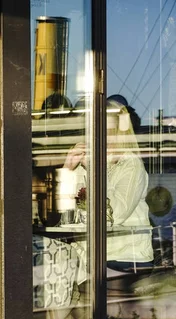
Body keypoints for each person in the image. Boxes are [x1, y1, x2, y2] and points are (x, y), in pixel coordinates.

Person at [62, 99, 153, 272]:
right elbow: (61, 212)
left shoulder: (130, 164)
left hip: (124, 258)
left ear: (120, 133)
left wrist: (94, 171)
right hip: (87, 256)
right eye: (95, 129)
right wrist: (67, 169)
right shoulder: (86, 161)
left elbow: (115, 215)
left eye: (109, 131)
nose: (101, 136)